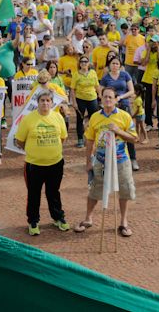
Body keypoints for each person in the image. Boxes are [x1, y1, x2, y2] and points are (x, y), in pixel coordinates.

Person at [73, 88, 139, 237]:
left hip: (121, 160)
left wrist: (118, 131)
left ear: (116, 99)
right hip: (101, 161)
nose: (107, 100)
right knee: (95, 190)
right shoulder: (95, 117)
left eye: (110, 97)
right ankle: (88, 218)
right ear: (101, 99)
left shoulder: (124, 116)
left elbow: (134, 138)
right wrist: (88, 161)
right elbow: (89, 140)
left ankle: (123, 222)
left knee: (124, 190)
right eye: (105, 97)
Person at [15, 91, 70, 235]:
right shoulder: (28, 119)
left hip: (55, 163)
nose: (45, 103)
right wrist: (33, 151)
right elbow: (20, 141)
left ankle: (58, 218)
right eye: (42, 100)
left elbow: (63, 138)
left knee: (53, 192)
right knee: (34, 194)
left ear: (52, 103)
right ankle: (33, 221)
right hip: (34, 165)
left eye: (48, 100)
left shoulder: (58, 117)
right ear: (37, 102)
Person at [70, 56, 99, 149]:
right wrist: (74, 102)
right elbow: (72, 89)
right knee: (80, 119)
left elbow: (97, 85)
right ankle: (80, 139)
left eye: (85, 61)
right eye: (81, 61)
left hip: (92, 98)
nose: (83, 63)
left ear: (88, 63)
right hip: (80, 99)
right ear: (79, 63)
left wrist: (101, 96)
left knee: (93, 119)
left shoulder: (93, 73)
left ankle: (93, 137)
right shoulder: (76, 74)